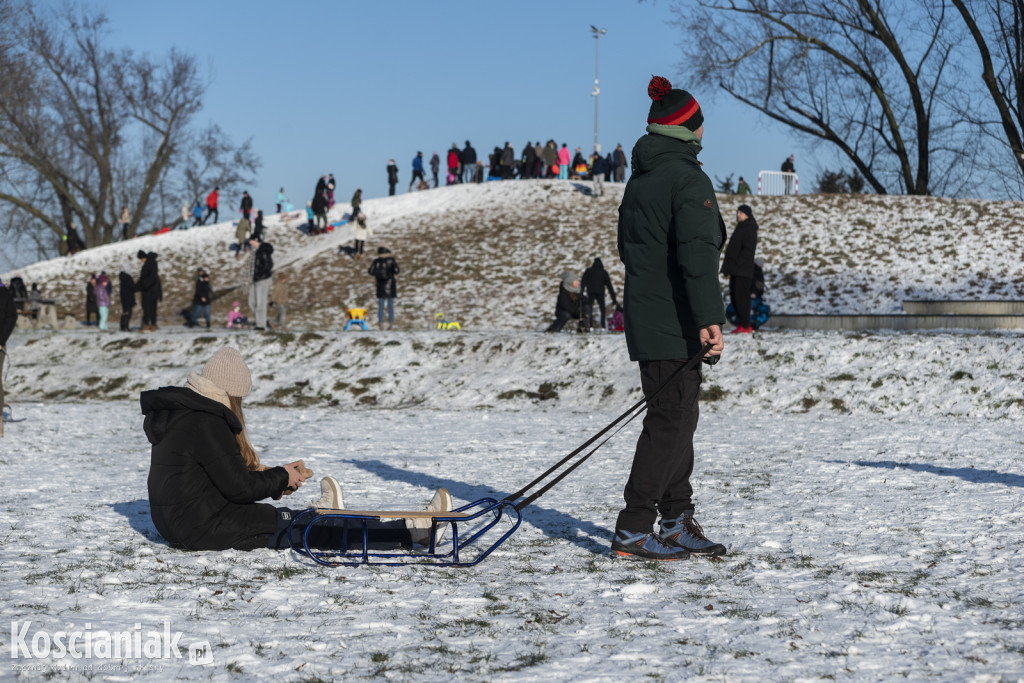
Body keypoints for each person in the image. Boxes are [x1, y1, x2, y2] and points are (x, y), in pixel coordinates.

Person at [141, 347, 452, 551]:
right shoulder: (207, 421)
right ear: (230, 394)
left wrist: (277, 478)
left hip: (183, 522)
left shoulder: (184, 412)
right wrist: (281, 478)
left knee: (287, 520)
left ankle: (324, 514)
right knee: (302, 528)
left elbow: (214, 475)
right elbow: (239, 488)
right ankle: (414, 531)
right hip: (202, 526)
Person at [612, 75, 727, 560]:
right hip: (676, 322)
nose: (705, 133)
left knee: (680, 419)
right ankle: (634, 527)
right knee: (669, 422)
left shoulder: (640, 181)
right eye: (701, 125)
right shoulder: (687, 179)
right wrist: (708, 317)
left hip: (649, 318)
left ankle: (676, 519)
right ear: (689, 129)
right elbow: (698, 255)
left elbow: (627, 249)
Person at [721, 204, 759, 334]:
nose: (738, 215)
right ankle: (742, 324)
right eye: (738, 213)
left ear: (747, 214)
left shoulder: (749, 228)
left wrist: (737, 264)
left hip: (742, 271)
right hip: (736, 270)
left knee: (741, 298)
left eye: (741, 213)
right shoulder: (741, 227)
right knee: (735, 297)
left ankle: (745, 325)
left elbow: (748, 251)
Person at [581, 258, 617, 330]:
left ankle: (590, 325)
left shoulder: (589, 271)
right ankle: (603, 326)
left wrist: (580, 294)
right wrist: (614, 299)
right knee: (602, 309)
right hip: (600, 293)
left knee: (589, 309)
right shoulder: (603, 272)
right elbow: (609, 286)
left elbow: (583, 283)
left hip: (590, 292)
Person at [368, 246, 399, 329]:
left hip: (380, 285)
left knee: (381, 306)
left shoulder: (376, 261)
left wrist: (378, 274)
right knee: (390, 306)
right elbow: (397, 270)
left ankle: (381, 323)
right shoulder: (391, 260)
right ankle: (391, 323)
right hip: (390, 285)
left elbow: (370, 271)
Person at [247, 237, 274, 331]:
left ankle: (261, 325)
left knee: (260, 303)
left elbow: (268, 265)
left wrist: (260, 275)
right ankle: (262, 320)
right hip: (255, 280)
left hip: (262, 280)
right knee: (251, 302)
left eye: (251, 241)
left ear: (256, 240)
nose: (250, 243)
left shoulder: (263, 250)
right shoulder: (255, 251)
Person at [136, 250, 161, 332]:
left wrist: (142, 286)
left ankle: (146, 325)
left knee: (147, 308)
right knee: (152, 308)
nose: (141, 261)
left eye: (141, 259)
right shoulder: (153, 264)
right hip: (154, 291)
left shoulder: (148, 265)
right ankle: (153, 324)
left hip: (148, 291)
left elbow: (147, 278)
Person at [118, 262, 135, 331]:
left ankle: (123, 326)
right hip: (128, 297)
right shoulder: (127, 277)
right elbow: (132, 287)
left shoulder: (123, 277)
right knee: (128, 312)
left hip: (124, 297)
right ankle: (125, 326)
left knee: (125, 312)